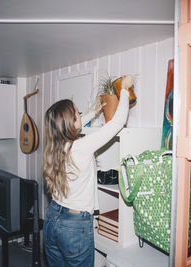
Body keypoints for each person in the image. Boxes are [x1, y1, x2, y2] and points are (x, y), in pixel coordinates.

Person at [42, 75, 133, 267]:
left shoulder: (54, 146)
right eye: (77, 112)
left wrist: (94, 112)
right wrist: (124, 90)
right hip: (74, 225)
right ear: (70, 122)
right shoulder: (80, 147)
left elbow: (74, 123)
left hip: (51, 218)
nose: (79, 115)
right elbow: (117, 123)